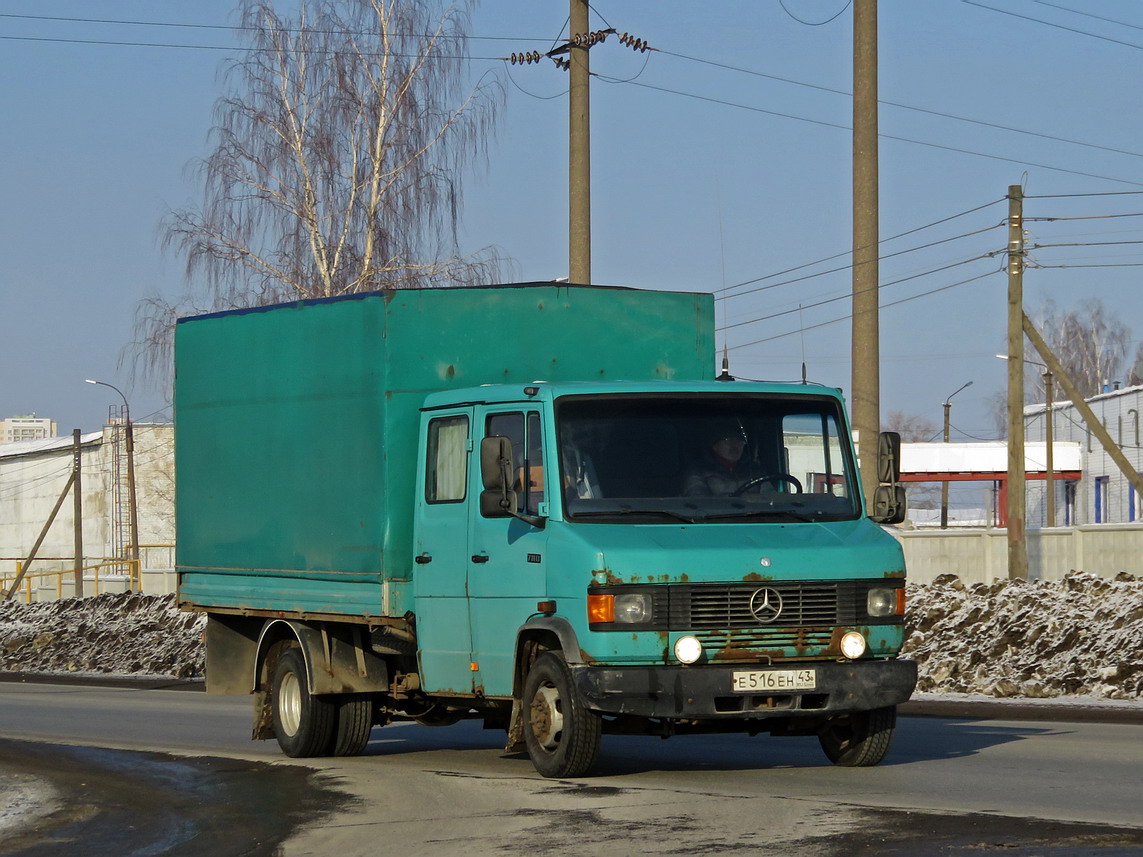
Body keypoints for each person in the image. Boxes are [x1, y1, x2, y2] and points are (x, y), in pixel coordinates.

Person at [683, 421, 763, 497]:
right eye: (728, 440)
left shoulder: (755, 470)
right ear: (714, 445)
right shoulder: (698, 471)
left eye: (740, 440)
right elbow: (698, 501)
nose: (735, 445)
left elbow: (770, 495)